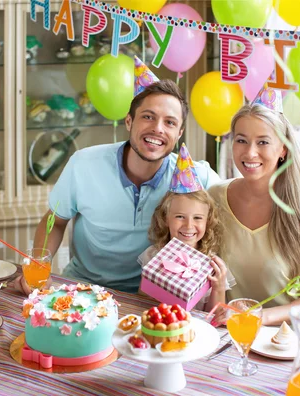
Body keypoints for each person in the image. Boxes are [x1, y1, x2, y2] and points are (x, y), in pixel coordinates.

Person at [17, 73, 221, 295]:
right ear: (129, 121)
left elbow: (238, 199)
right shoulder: (83, 164)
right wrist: (39, 266)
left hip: (152, 295)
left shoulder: (196, 177)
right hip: (82, 287)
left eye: (170, 122)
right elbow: (54, 221)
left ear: (179, 133)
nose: (158, 129)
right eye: (148, 117)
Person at [208, 87, 300, 343]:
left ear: (283, 149)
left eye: (263, 141)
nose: (250, 152)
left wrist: (259, 316)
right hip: (239, 336)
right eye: (241, 140)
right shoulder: (214, 197)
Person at [138, 144, 236, 321]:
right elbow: (142, 304)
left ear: (208, 221)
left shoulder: (212, 265)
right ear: (166, 218)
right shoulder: (154, 256)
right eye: (180, 216)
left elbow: (215, 315)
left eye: (198, 218)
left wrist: (219, 286)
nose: (189, 225)